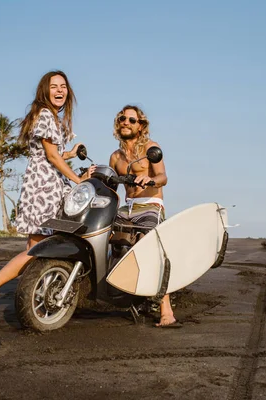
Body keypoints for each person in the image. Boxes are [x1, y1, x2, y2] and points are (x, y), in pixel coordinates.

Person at [0, 70, 95, 316]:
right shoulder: (47, 115)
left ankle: (33, 293)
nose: (60, 91)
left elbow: (49, 153)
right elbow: (50, 156)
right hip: (44, 188)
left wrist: (69, 153)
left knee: (35, 246)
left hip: (40, 183)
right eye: (54, 87)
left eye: (63, 87)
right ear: (44, 91)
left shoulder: (47, 116)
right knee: (38, 248)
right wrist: (79, 179)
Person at [109, 105, 180, 328]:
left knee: (150, 248)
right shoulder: (115, 157)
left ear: (141, 126)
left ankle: (166, 309)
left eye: (132, 120)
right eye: (122, 118)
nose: (126, 122)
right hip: (128, 207)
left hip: (150, 204)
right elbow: (111, 189)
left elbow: (163, 177)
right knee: (108, 241)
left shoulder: (151, 148)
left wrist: (149, 180)